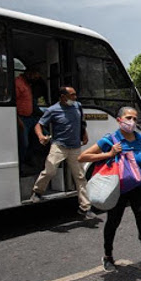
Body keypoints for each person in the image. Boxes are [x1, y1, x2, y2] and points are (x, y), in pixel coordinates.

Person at [78, 107, 141, 281]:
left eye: (135, 119)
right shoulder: (111, 139)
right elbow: (83, 157)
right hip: (118, 190)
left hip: (140, 189)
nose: (132, 122)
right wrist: (109, 153)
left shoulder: (140, 139)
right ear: (119, 120)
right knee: (113, 222)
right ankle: (108, 255)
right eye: (128, 117)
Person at [30, 86, 95, 219]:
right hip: (59, 146)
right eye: (72, 95)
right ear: (63, 97)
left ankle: (85, 208)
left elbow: (81, 122)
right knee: (50, 171)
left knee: (80, 177)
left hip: (75, 147)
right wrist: (41, 136)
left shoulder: (78, 106)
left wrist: (84, 134)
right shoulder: (53, 110)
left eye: (75, 95)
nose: (75, 98)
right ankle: (37, 192)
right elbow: (39, 125)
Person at [16, 70, 43, 173]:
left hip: (30, 117)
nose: (35, 79)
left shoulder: (28, 84)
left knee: (43, 136)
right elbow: (13, 104)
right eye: (35, 76)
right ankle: (21, 165)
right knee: (24, 143)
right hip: (21, 118)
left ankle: (31, 158)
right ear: (29, 73)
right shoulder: (18, 83)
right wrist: (18, 120)